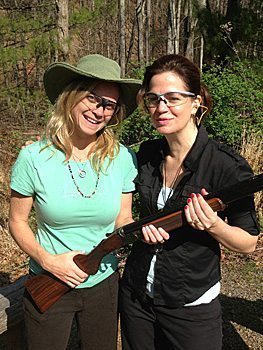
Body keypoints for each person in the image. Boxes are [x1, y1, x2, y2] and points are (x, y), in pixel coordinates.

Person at [119, 54, 260, 350]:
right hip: (136, 295)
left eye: (173, 98)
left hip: (190, 304)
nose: (161, 108)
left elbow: (248, 244)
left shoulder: (227, 167)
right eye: (154, 99)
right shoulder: (147, 153)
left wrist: (213, 226)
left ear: (195, 102)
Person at [8, 54, 146, 350]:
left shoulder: (122, 158)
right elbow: (17, 221)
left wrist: (145, 230)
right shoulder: (33, 158)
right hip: (49, 280)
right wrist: (47, 260)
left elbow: (123, 218)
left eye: (109, 105)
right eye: (92, 98)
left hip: (104, 284)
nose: (99, 111)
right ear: (71, 96)